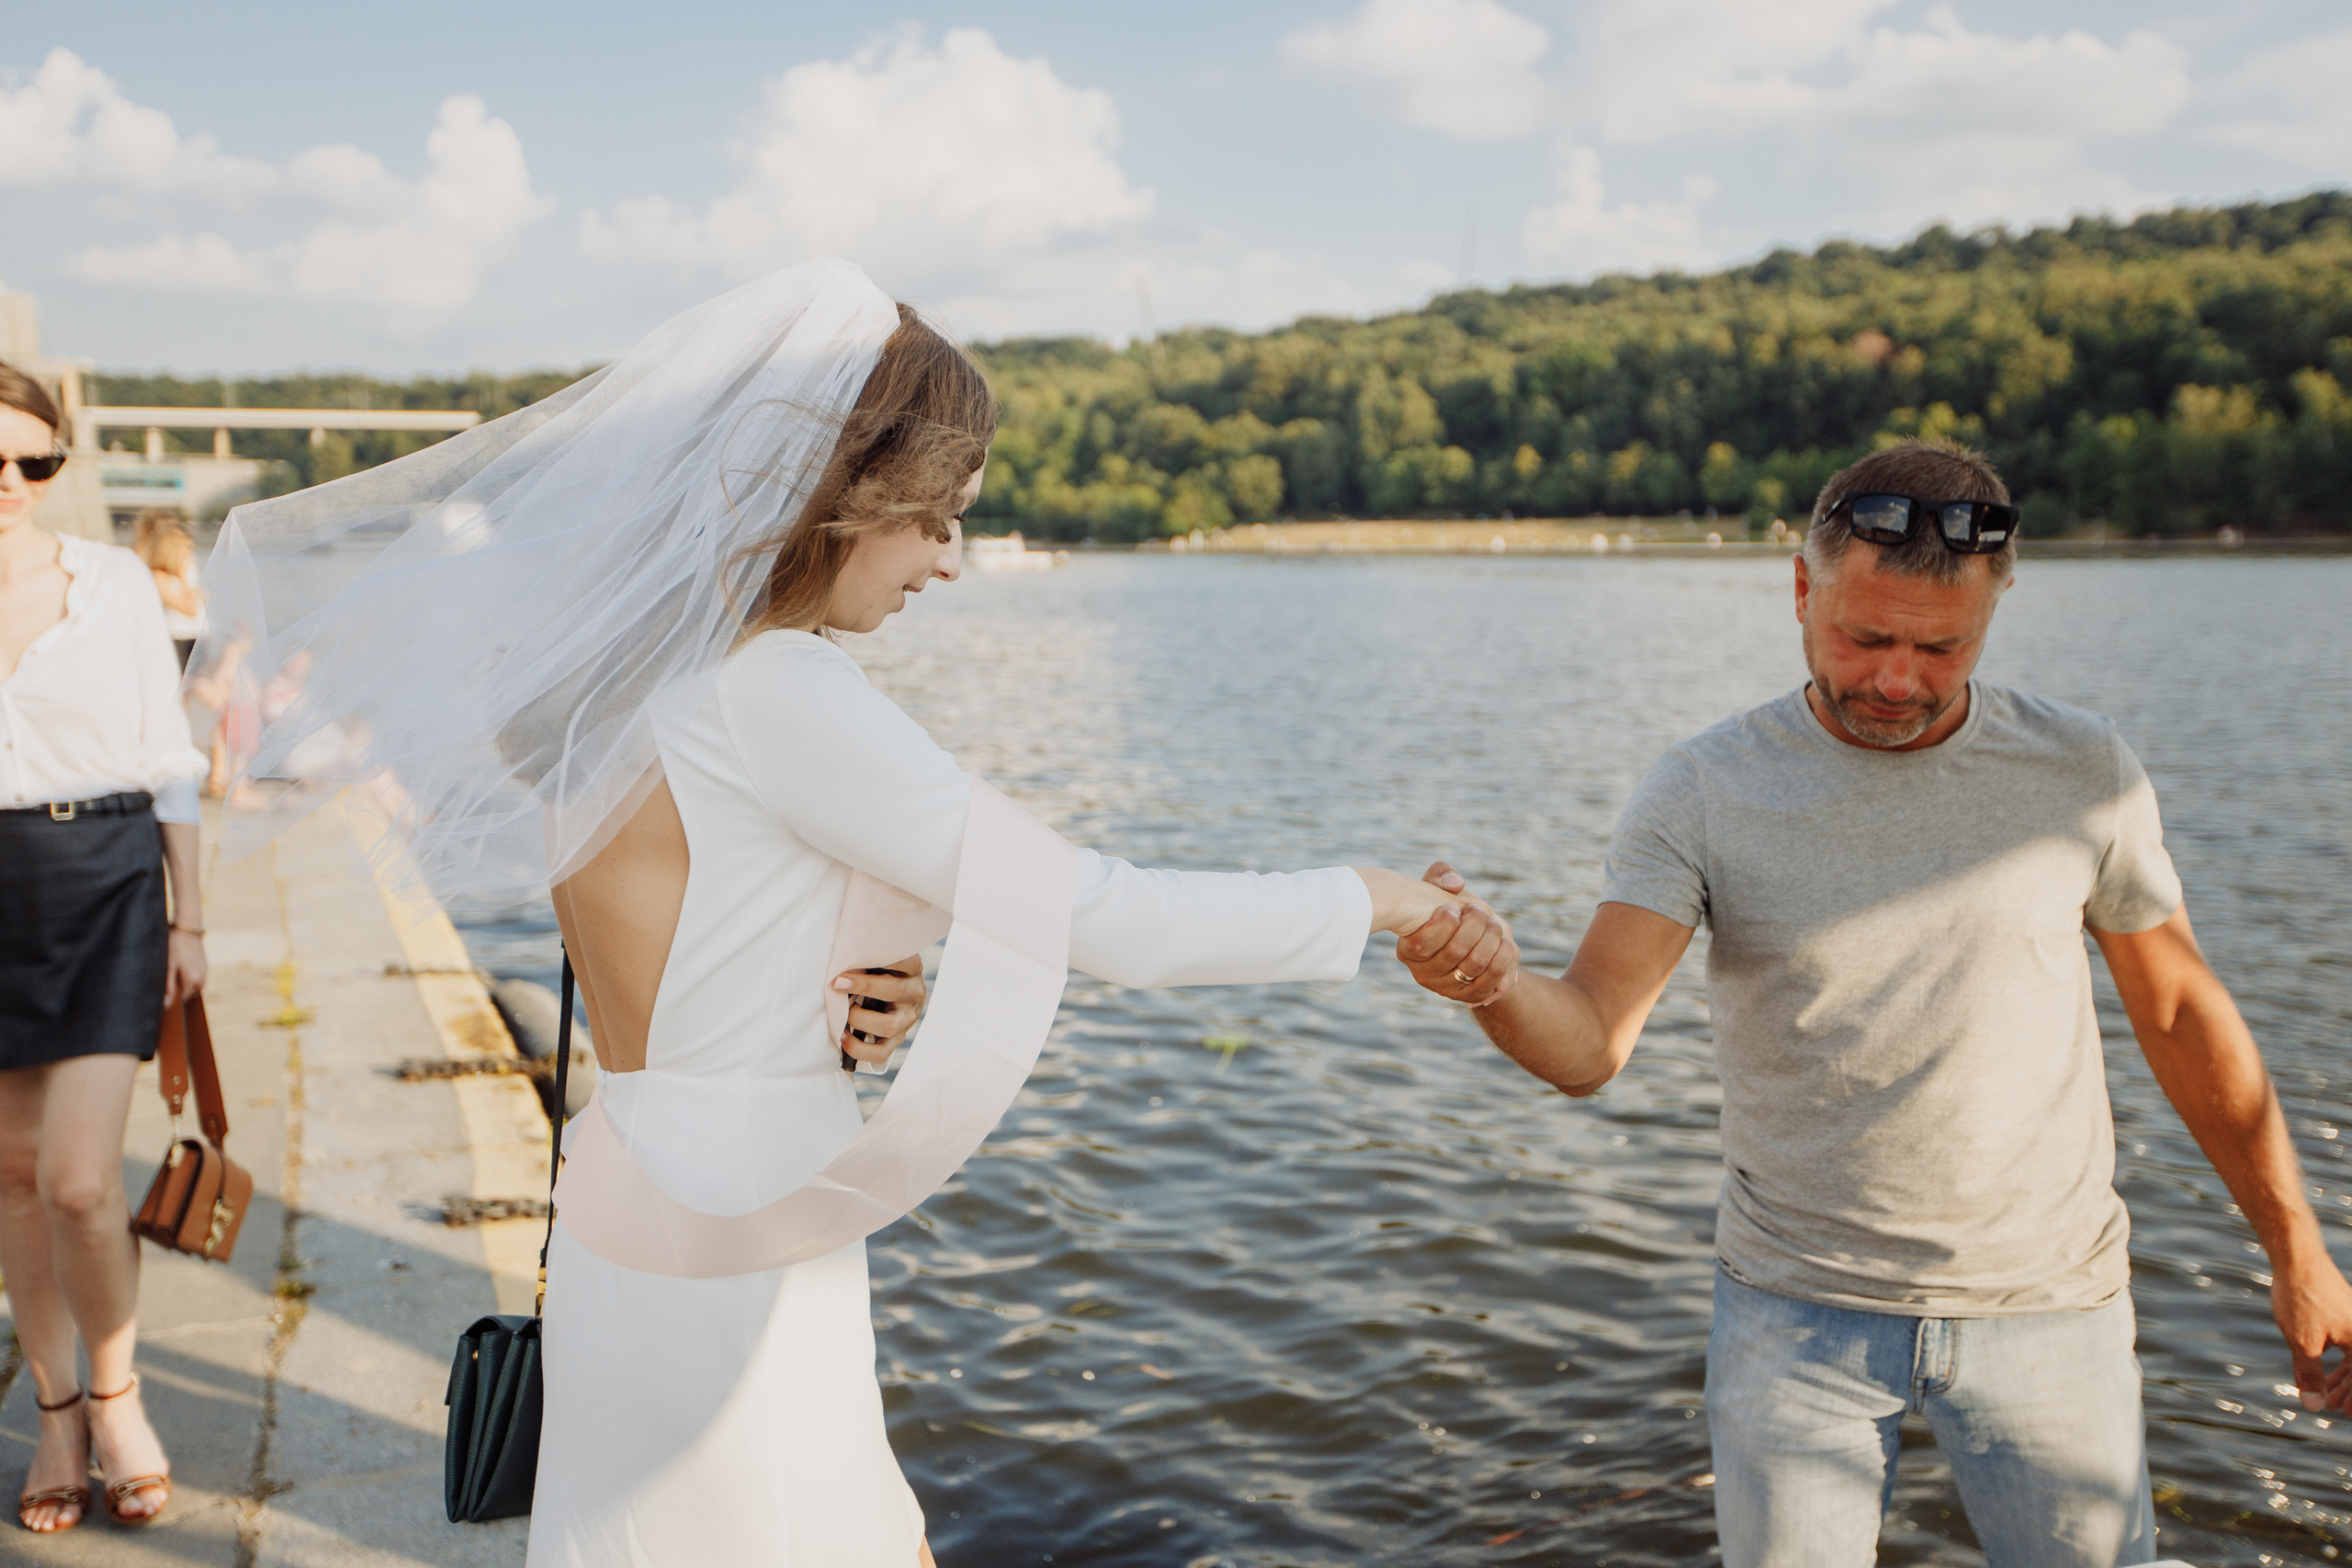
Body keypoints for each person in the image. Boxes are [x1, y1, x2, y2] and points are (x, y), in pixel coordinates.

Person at [194, 260, 1488, 1568]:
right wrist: (1368, 896)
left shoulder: (610, 683)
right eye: (934, 520)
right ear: (843, 496)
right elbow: (1103, 914)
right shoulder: (779, 692)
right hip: (743, 1237)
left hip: (629, 1192)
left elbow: (714, 922)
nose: (951, 561)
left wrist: (853, 984)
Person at [1396, 437, 2352, 1566]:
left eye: (1939, 648)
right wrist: (1494, 984)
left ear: (1996, 605)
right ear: (1801, 592)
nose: (1895, 679)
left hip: (2049, 1304)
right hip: (1792, 1313)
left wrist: (2296, 1245)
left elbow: (2182, 1014)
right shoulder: (1704, 787)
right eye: (1863, 638)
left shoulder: (2083, 772)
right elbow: (1592, 1039)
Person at [0, 362, 207, 1532]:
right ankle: (56, 1408)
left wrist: (191, 919)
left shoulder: (116, 583)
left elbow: (169, 759)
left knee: (80, 1180)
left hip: (104, 882)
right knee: (15, 1177)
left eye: (38, 461)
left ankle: (120, 1396)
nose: (15, 484)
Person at [130, 512, 205, 670]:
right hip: (179, 640)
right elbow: (190, 609)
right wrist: (185, 579)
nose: (191, 555)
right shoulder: (160, 577)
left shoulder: (185, 575)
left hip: (198, 637)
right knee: (187, 686)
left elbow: (203, 602)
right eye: (187, 550)